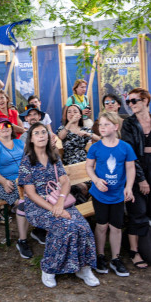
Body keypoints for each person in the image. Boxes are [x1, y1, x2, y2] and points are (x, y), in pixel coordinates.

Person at [18, 122, 99, 288]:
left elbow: (65, 181)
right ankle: (49, 268)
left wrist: (61, 202)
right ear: (31, 139)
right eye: (37, 133)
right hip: (38, 207)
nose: (41, 135)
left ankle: (83, 268)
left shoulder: (54, 157)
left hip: (58, 201)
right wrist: (56, 210)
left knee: (82, 226)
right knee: (64, 226)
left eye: (43, 132)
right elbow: (31, 194)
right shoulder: (27, 162)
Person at [121, 88, 151, 268]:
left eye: (134, 100)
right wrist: (141, 179)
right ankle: (134, 252)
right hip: (135, 169)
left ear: (145, 101)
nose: (131, 104)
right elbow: (130, 153)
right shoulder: (129, 123)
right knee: (138, 210)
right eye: (129, 101)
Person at [86, 112, 136, 277]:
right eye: (100, 125)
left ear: (116, 127)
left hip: (117, 195)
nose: (102, 128)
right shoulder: (95, 147)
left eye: (106, 124)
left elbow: (130, 168)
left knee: (116, 226)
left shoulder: (125, 147)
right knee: (102, 225)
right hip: (99, 194)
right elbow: (89, 167)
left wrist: (129, 187)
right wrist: (96, 180)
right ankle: (100, 256)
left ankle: (115, 258)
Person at [0, 118, 31, 257]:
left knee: (39, 197)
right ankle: (22, 241)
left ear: (11, 128)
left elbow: (29, 161)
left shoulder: (19, 143)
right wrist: (5, 182)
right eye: (1, 126)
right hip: (4, 183)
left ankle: (39, 231)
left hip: (23, 181)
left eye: (7, 125)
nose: (4, 128)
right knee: (23, 204)